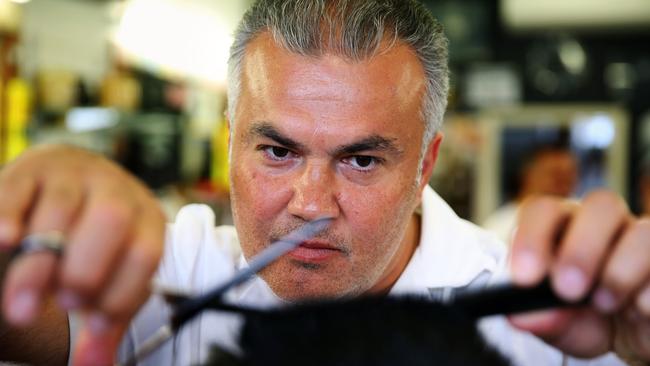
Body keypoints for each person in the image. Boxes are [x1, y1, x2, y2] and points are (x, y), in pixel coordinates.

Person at [1, 1, 649, 365]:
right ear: (230, 140)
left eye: (361, 161)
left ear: (425, 166)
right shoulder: (174, 272)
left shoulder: (548, 323)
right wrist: (18, 226)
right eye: (277, 151)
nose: (310, 203)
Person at [482, 143, 579, 244]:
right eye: (555, 174)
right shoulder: (501, 223)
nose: (564, 182)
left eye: (570, 174)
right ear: (528, 175)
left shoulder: (579, 215)